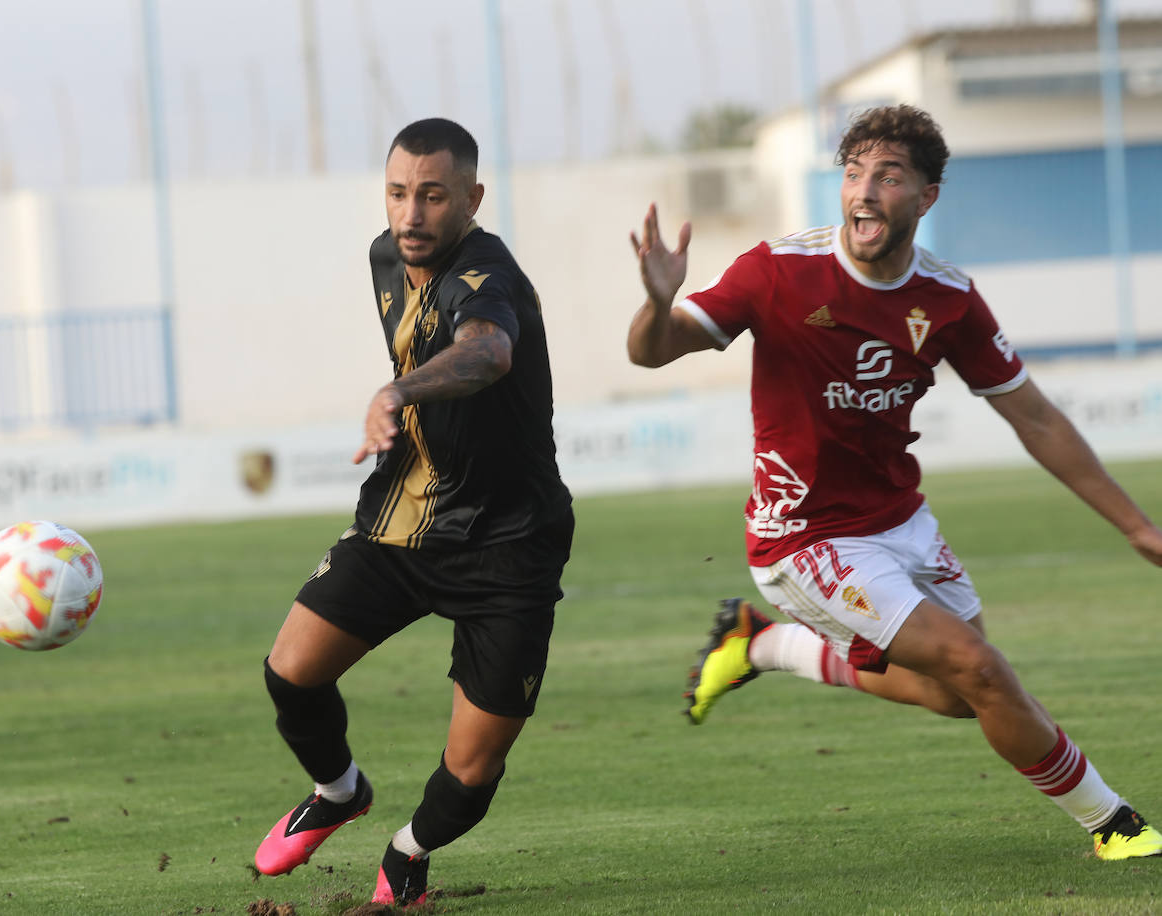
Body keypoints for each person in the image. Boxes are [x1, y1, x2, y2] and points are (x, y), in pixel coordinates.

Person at [626, 104, 1162, 861]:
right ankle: (1116, 826)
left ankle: (762, 646)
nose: (864, 192)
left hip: (899, 521)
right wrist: (655, 302)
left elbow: (1035, 418)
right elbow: (653, 352)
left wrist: (1136, 525)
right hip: (803, 535)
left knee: (955, 694)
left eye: (888, 176)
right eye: (852, 174)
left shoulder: (948, 299)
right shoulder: (779, 271)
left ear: (926, 196)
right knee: (982, 669)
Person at [254, 117, 574, 906]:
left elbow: (488, 352)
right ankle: (338, 792)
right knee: (291, 673)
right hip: (405, 519)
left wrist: (398, 390)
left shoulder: (486, 276)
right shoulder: (385, 257)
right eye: (398, 193)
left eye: (432, 196)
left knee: (471, 770)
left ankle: (408, 851)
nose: (411, 215)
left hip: (511, 546)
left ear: (472, 197)